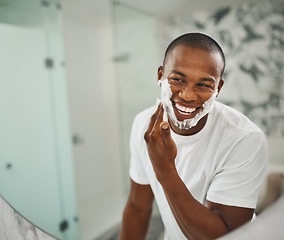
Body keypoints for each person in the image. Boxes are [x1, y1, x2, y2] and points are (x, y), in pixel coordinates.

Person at [119, 32, 268, 240]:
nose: (188, 95)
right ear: (160, 76)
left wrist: (166, 170)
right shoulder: (143, 124)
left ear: (218, 88)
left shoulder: (244, 139)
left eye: (204, 85)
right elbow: (137, 207)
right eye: (178, 80)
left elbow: (223, 236)